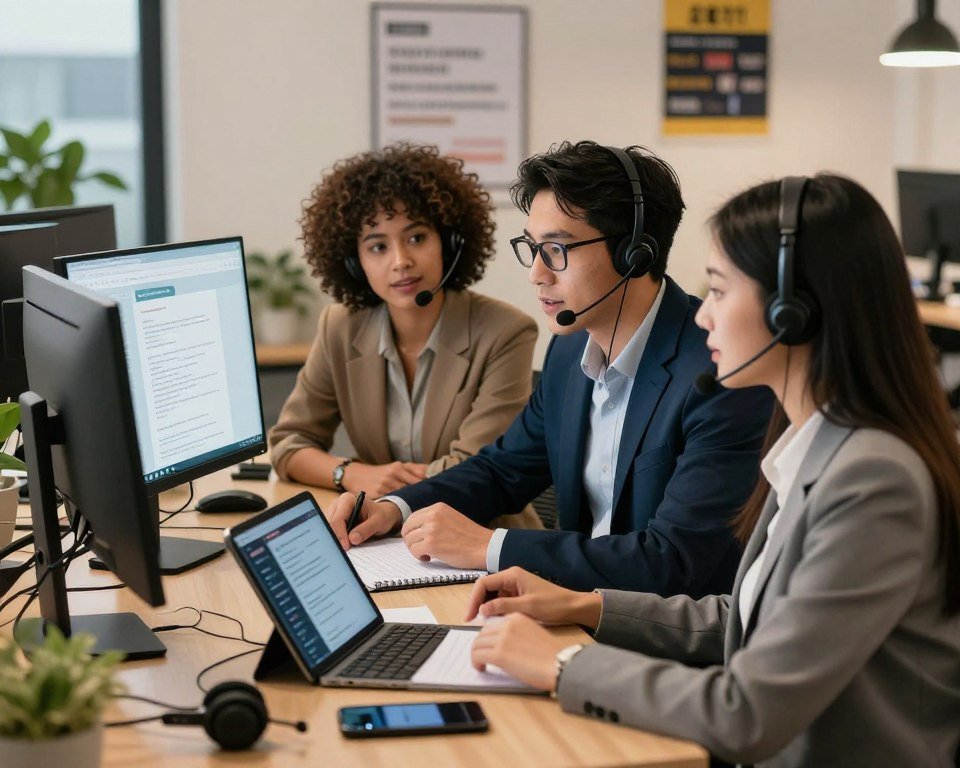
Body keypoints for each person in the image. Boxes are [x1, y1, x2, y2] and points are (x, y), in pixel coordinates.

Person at [462, 174, 960, 767]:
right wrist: (581, 605)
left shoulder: (874, 481)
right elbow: (748, 617)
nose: (703, 318)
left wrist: (563, 663)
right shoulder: (813, 443)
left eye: (719, 291)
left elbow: (746, 712)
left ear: (792, 313)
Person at [329, 140, 774, 596]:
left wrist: (490, 546)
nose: (537, 274)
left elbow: (671, 562)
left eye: (557, 249)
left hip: (662, 637)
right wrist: (393, 508)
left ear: (634, 253)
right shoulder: (569, 350)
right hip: (569, 607)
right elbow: (503, 469)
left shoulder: (723, 376)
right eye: (532, 247)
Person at [269, 144, 538, 508]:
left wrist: (388, 494)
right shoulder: (340, 327)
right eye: (377, 247)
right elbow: (288, 443)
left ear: (450, 241)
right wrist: (350, 473)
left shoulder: (505, 332)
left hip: (477, 534)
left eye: (416, 238)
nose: (401, 261)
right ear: (354, 263)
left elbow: (477, 470)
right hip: (382, 539)